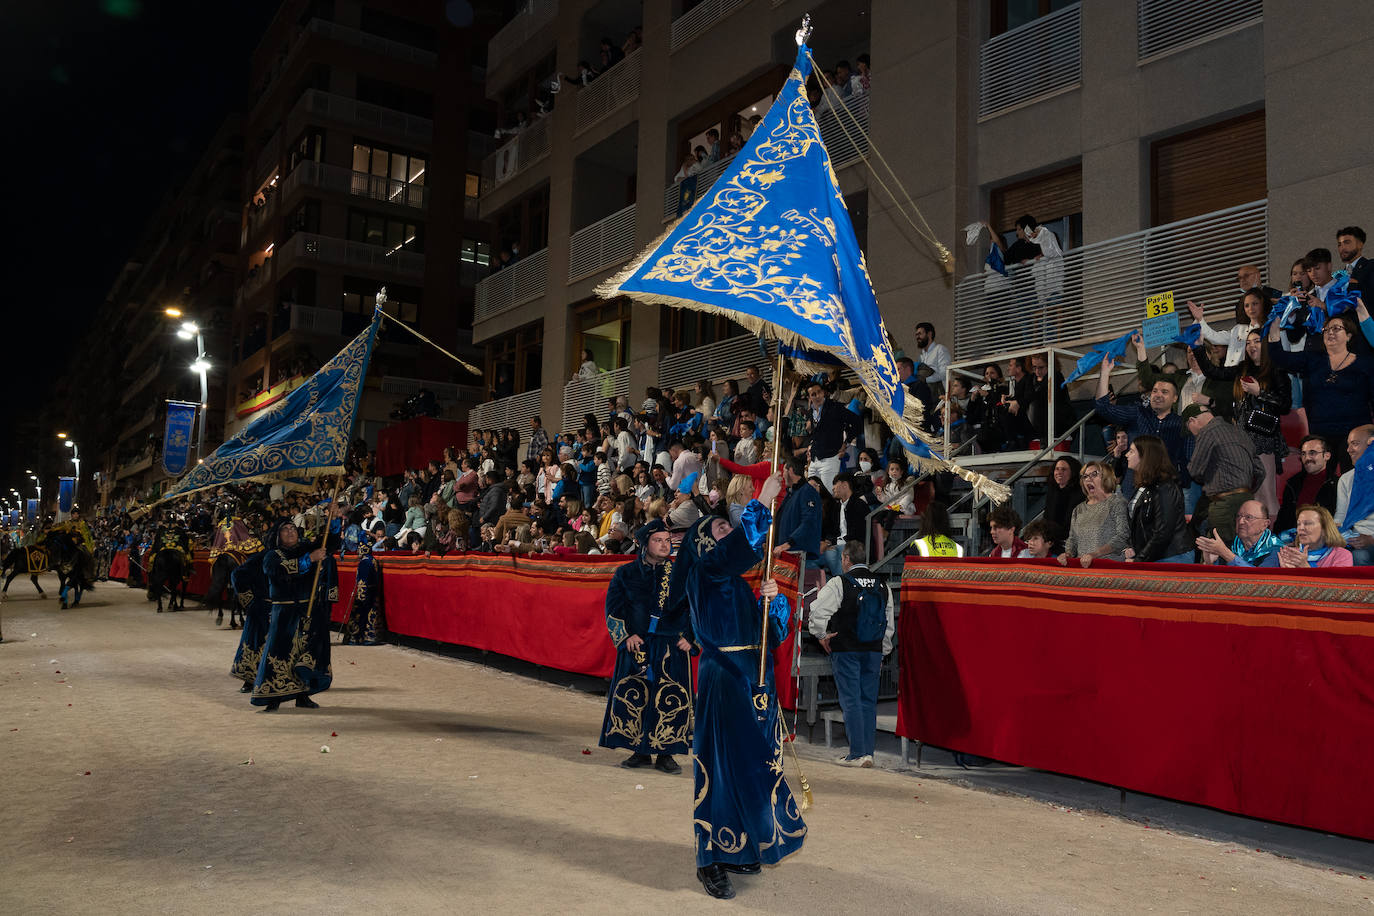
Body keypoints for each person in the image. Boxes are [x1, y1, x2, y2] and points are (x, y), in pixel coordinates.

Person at [669, 473, 805, 899]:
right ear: (704, 545)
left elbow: (774, 636)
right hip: (724, 680)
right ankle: (709, 859)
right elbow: (735, 550)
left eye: (730, 525)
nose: (727, 528)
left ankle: (739, 845)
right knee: (721, 768)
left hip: (754, 681)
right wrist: (761, 502)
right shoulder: (704, 573)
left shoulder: (734, 585)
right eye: (719, 528)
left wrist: (773, 600)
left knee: (754, 766)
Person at [598, 520, 694, 774]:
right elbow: (613, 609)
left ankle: (666, 753)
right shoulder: (625, 574)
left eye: (667, 541)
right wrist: (625, 636)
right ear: (644, 544)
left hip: (670, 646)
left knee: (670, 700)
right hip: (637, 645)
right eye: (658, 540)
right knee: (636, 697)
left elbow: (696, 607)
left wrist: (692, 637)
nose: (665, 545)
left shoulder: (681, 574)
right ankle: (639, 749)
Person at [807, 539, 894, 768]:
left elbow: (816, 611)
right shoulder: (883, 585)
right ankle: (868, 752)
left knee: (851, 700)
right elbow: (888, 624)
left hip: (846, 649)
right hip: (873, 650)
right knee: (868, 701)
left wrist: (821, 635)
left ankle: (856, 753)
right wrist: (883, 650)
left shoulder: (840, 582)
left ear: (846, 559)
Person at [1191, 330, 1290, 518]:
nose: (1252, 346)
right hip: (1242, 439)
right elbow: (1214, 372)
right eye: (1248, 342)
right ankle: (1255, 535)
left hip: (1263, 437)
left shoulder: (1277, 369)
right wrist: (1197, 347)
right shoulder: (1242, 368)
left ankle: (1270, 538)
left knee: (1265, 492)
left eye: (1257, 341)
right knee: (1251, 494)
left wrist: (1259, 392)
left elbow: (1285, 404)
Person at [250, 520, 337, 712]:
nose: (290, 532)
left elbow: (329, 543)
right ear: (277, 535)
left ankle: (302, 695)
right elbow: (278, 571)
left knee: (302, 653)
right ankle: (273, 697)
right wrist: (309, 560)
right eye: (285, 530)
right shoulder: (272, 555)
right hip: (284, 612)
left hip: (308, 610)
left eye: (293, 529)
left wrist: (336, 519)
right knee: (278, 652)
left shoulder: (306, 548)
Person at [1269, 312, 1374, 453]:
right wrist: (1274, 328)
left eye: (1336, 328)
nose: (1330, 332)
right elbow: (1279, 357)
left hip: (1355, 436)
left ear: (1349, 336)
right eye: (1326, 329)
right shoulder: (1312, 359)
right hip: (1320, 436)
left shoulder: (1365, 363)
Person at [1184, 404, 1259, 545]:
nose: (1193, 434)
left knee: (1219, 551)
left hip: (1223, 504)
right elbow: (1260, 471)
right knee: (1244, 548)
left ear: (1192, 421)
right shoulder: (1240, 432)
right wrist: (1244, 491)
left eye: (1190, 430)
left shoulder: (1207, 432)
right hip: (1247, 500)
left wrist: (1210, 478)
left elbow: (1195, 470)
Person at [1122, 435, 1192, 564]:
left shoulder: (1165, 486)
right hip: (1154, 556)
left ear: (1145, 456)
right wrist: (1131, 547)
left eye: (1131, 451)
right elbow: (1140, 526)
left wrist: (1140, 559)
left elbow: (1163, 530)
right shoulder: (1144, 486)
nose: (1126, 455)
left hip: (1171, 557)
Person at [1058, 461, 1129, 567]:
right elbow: (1072, 539)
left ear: (1106, 477)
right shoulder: (1078, 509)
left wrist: (1095, 554)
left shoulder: (1117, 503)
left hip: (1109, 569)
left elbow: (1122, 537)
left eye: (1094, 474)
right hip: (1083, 571)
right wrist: (1067, 554)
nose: (1088, 479)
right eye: (1085, 476)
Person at [1187, 289, 1271, 367]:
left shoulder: (1270, 329)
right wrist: (1200, 319)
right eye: (1247, 305)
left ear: (1262, 304)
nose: (1251, 308)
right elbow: (1214, 337)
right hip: (1233, 376)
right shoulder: (1238, 329)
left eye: (1255, 304)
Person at [803, 381, 860, 492]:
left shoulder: (835, 407)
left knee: (828, 495)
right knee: (811, 496)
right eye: (813, 394)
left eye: (819, 392)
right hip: (814, 460)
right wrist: (811, 446)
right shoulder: (810, 412)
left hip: (830, 458)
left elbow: (857, 423)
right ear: (809, 397)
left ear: (824, 392)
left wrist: (846, 442)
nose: (817, 396)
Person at [228, 548, 271, 693]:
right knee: (255, 642)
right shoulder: (261, 557)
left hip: (287, 609)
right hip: (262, 606)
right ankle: (250, 678)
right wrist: (249, 601)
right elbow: (237, 574)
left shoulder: (298, 556)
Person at [1276, 435, 1339, 533]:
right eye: (1303, 454)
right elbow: (1283, 518)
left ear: (1327, 456)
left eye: (1312, 453)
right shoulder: (1292, 483)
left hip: (1324, 539)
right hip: (1292, 538)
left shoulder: (1337, 484)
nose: (1307, 458)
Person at [1196, 499, 1281, 566]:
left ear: (1265, 524)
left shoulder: (1276, 549)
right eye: (1238, 516)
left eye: (1248, 517)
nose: (1240, 521)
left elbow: (1259, 578)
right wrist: (1209, 563)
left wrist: (1225, 553)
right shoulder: (1230, 546)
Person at [1263, 505, 1353, 568]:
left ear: (1325, 528)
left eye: (1308, 524)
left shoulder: (1341, 555)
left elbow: (1337, 591)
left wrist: (1305, 569)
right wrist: (1286, 574)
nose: (1301, 528)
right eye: (1298, 524)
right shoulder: (1289, 554)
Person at [1334, 425, 1374, 564]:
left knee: (1359, 556)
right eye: (1348, 445)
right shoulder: (1346, 479)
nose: (1349, 450)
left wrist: (1371, 539)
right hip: (1354, 538)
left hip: (1369, 542)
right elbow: (1340, 518)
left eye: (1355, 444)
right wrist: (1334, 535)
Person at [772, 456, 821, 567]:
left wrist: (788, 544)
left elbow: (809, 522)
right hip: (787, 555)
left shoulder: (807, 492)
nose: (782, 475)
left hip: (799, 557)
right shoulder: (791, 494)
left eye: (784, 470)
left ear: (791, 471)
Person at [818, 472, 869, 575]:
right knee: (824, 554)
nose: (833, 488)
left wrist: (830, 542)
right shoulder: (835, 507)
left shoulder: (859, 505)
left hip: (855, 545)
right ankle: (842, 581)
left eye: (835, 484)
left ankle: (843, 582)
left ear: (845, 485)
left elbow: (857, 534)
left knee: (836, 552)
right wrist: (827, 541)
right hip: (838, 544)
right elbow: (829, 529)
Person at [339, 540, 382, 645]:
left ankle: (355, 638)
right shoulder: (374, 560)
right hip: (374, 591)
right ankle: (370, 637)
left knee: (359, 616)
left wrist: (360, 596)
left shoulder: (364, 562)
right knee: (371, 615)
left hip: (364, 593)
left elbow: (362, 581)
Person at [1043, 456, 1084, 535]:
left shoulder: (1080, 494)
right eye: (1057, 469)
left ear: (1073, 472)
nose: (1059, 472)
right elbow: (1047, 519)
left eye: (1064, 469)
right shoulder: (1052, 491)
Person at [913, 322, 951, 390]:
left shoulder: (940, 349)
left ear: (929, 334)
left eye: (920, 334)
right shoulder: (921, 356)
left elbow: (945, 373)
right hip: (927, 392)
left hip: (940, 394)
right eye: (916, 335)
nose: (917, 337)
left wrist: (926, 380)